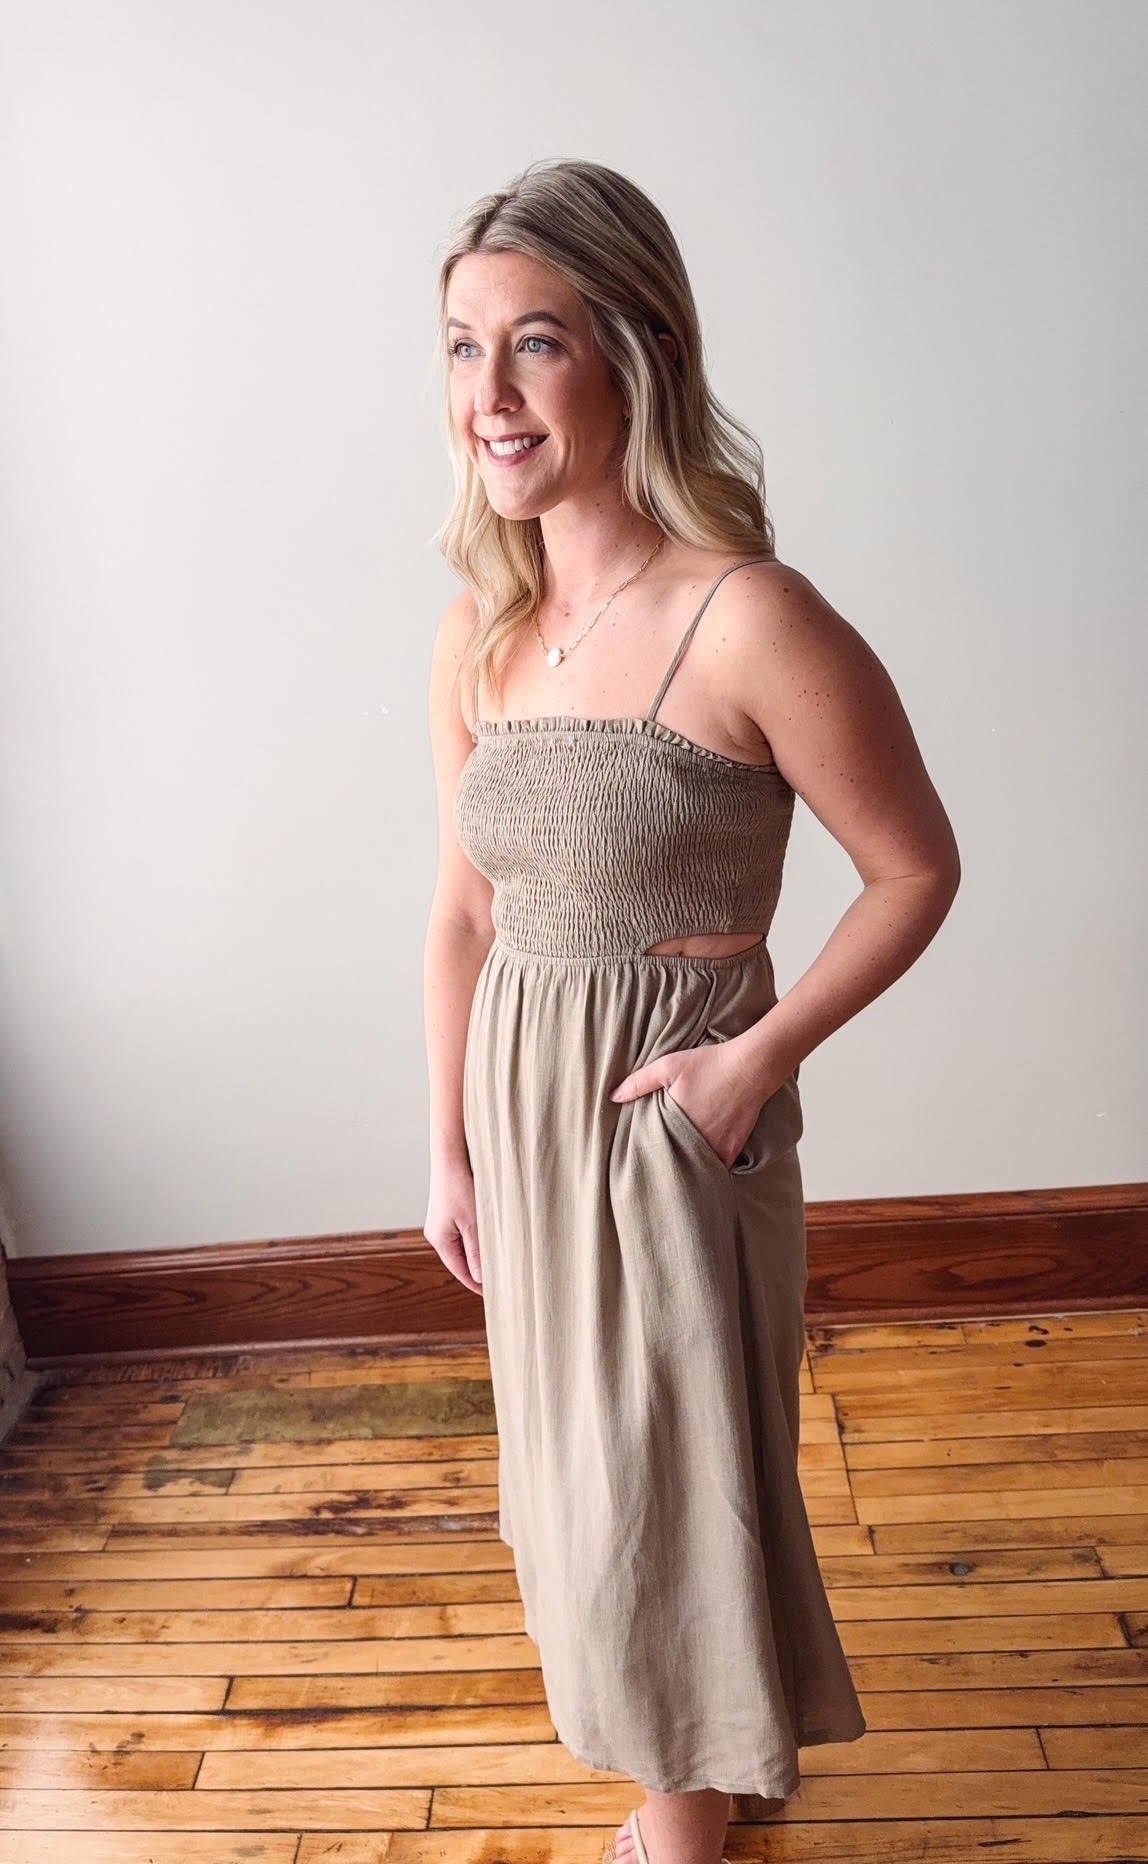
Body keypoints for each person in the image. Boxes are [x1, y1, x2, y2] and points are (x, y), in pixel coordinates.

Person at [423, 158, 961, 1864]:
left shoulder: (749, 617)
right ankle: (692, 1772)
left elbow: (916, 869)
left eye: (538, 345)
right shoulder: (482, 631)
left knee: (669, 1484)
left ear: (637, 354)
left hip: (669, 1118)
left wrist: (754, 1061)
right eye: (460, 348)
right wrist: (446, 1146)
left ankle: (687, 1813)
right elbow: (459, 911)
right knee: (576, 1484)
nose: (489, 396)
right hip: (522, 1119)